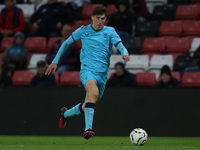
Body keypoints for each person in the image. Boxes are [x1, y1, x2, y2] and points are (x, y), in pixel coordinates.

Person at [45, 6, 130, 140]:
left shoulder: (110, 31)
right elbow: (66, 44)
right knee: (94, 93)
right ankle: (88, 129)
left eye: (102, 19)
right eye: (97, 18)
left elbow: (119, 44)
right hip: (87, 70)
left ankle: (66, 114)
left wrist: (125, 53)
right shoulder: (83, 31)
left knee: (88, 105)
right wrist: (55, 61)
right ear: (92, 18)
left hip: (102, 74)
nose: (100, 21)